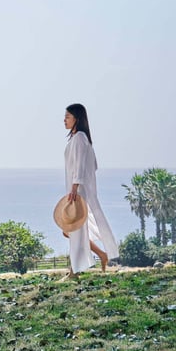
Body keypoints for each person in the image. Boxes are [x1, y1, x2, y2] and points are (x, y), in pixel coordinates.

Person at [62, 103, 119, 279]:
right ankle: (101, 256)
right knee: (71, 230)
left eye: (68, 117)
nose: (64, 120)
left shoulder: (79, 138)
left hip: (77, 191)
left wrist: (75, 186)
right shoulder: (79, 138)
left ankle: (74, 272)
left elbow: (80, 165)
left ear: (77, 119)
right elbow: (93, 165)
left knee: (74, 230)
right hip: (77, 190)